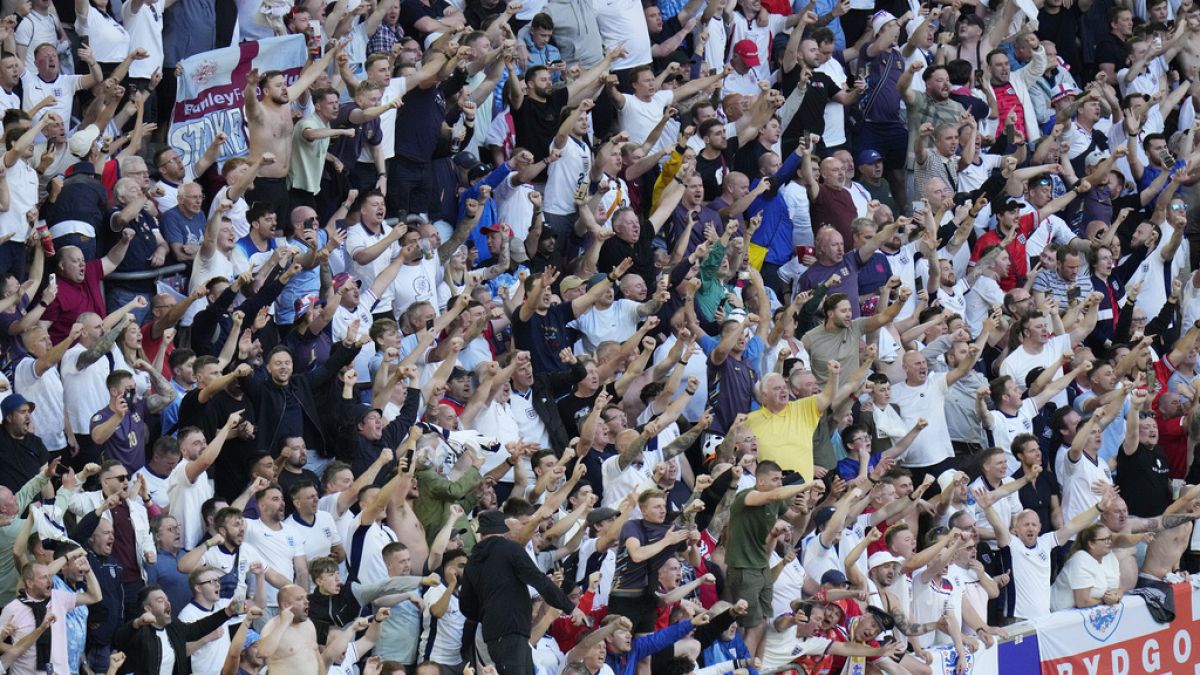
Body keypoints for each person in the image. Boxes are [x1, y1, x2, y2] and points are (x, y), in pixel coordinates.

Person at [460, 510, 576, 674]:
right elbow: (539, 580)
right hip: (513, 630)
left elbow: (466, 607)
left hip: (492, 634)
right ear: (503, 529)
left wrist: (489, 613)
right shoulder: (510, 549)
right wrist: (570, 607)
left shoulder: (472, 561)